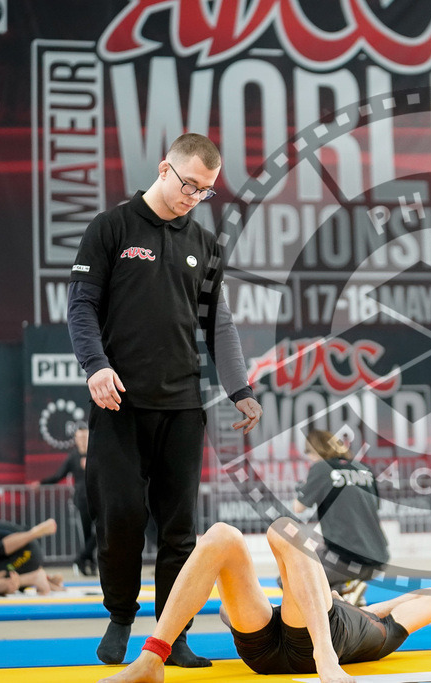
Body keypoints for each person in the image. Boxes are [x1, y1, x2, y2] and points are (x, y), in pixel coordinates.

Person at [67, 133, 263, 667]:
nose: (193, 196)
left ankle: (172, 636)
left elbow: (218, 323)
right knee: (122, 515)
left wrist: (239, 388)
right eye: (188, 184)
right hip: (119, 403)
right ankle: (120, 615)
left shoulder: (205, 244)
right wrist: (96, 366)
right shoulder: (111, 228)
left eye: (205, 191)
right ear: (163, 168)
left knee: (181, 529)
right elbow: (81, 306)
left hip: (182, 405)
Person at [97, 519, 431, 683]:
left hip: (317, 645)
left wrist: (372, 607)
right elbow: (226, 609)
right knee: (221, 535)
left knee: (286, 528)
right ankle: (152, 657)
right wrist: (356, 602)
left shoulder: (382, 629)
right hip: (266, 648)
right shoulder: (367, 621)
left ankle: (324, 656)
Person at [294, 429, 389, 606]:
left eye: (309, 453)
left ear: (315, 450)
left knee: (292, 579)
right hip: (378, 558)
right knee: (322, 572)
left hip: (344, 560)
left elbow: (298, 507)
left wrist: (302, 487)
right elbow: (375, 506)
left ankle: (345, 592)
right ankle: (348, 591)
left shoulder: (322, 468)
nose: (309, 457)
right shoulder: (364, 469)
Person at [30, 423, 96, 576]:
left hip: (98, 497)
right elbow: (59, 475)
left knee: (100, 531)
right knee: (86, 533)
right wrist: (41, 483)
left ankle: (81, 558)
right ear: (75, 439)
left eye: (85, 437)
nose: (82, 440)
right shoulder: (73, 457)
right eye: (79, 437)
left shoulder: (96, 454)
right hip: (82, 499)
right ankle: (89, 563)